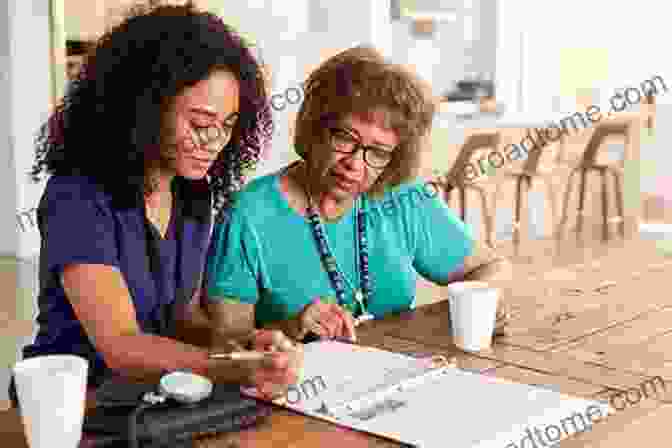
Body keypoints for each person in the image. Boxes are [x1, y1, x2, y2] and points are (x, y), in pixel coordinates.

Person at [10, 2, 301, 407]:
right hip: (72, 407)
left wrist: (246, 346)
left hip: (153, 399)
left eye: (229, 125)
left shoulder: (194, 192)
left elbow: (180, 319)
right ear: (144, 109)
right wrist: (230, 367)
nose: (216, 141)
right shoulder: (78, 196)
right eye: (200, 123)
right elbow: (122, 346)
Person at [204, 45, 513, 343]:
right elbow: (226, 346)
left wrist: (483, 302)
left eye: (377, 152)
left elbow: (490, 267)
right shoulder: (248, 214)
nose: (354, 163)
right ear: (315, 128)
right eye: (344, 137)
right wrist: (291, 329)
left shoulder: (405, 199)